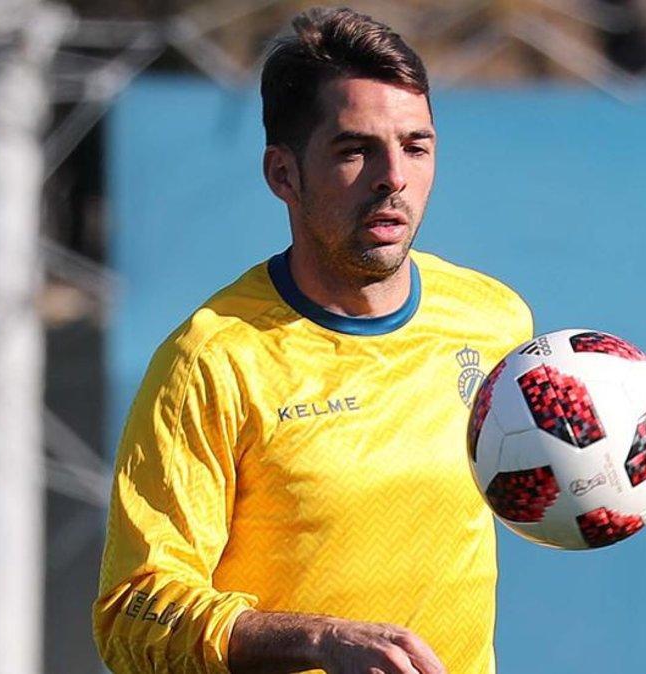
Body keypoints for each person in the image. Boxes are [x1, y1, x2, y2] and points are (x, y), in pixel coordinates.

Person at [93, 7, 532, 674]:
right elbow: (133, 611)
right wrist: (317, 638)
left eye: (416, 146)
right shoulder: (212, 362)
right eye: (355, 150)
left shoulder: (494, 320)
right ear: (283, 175)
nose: (393, 176)